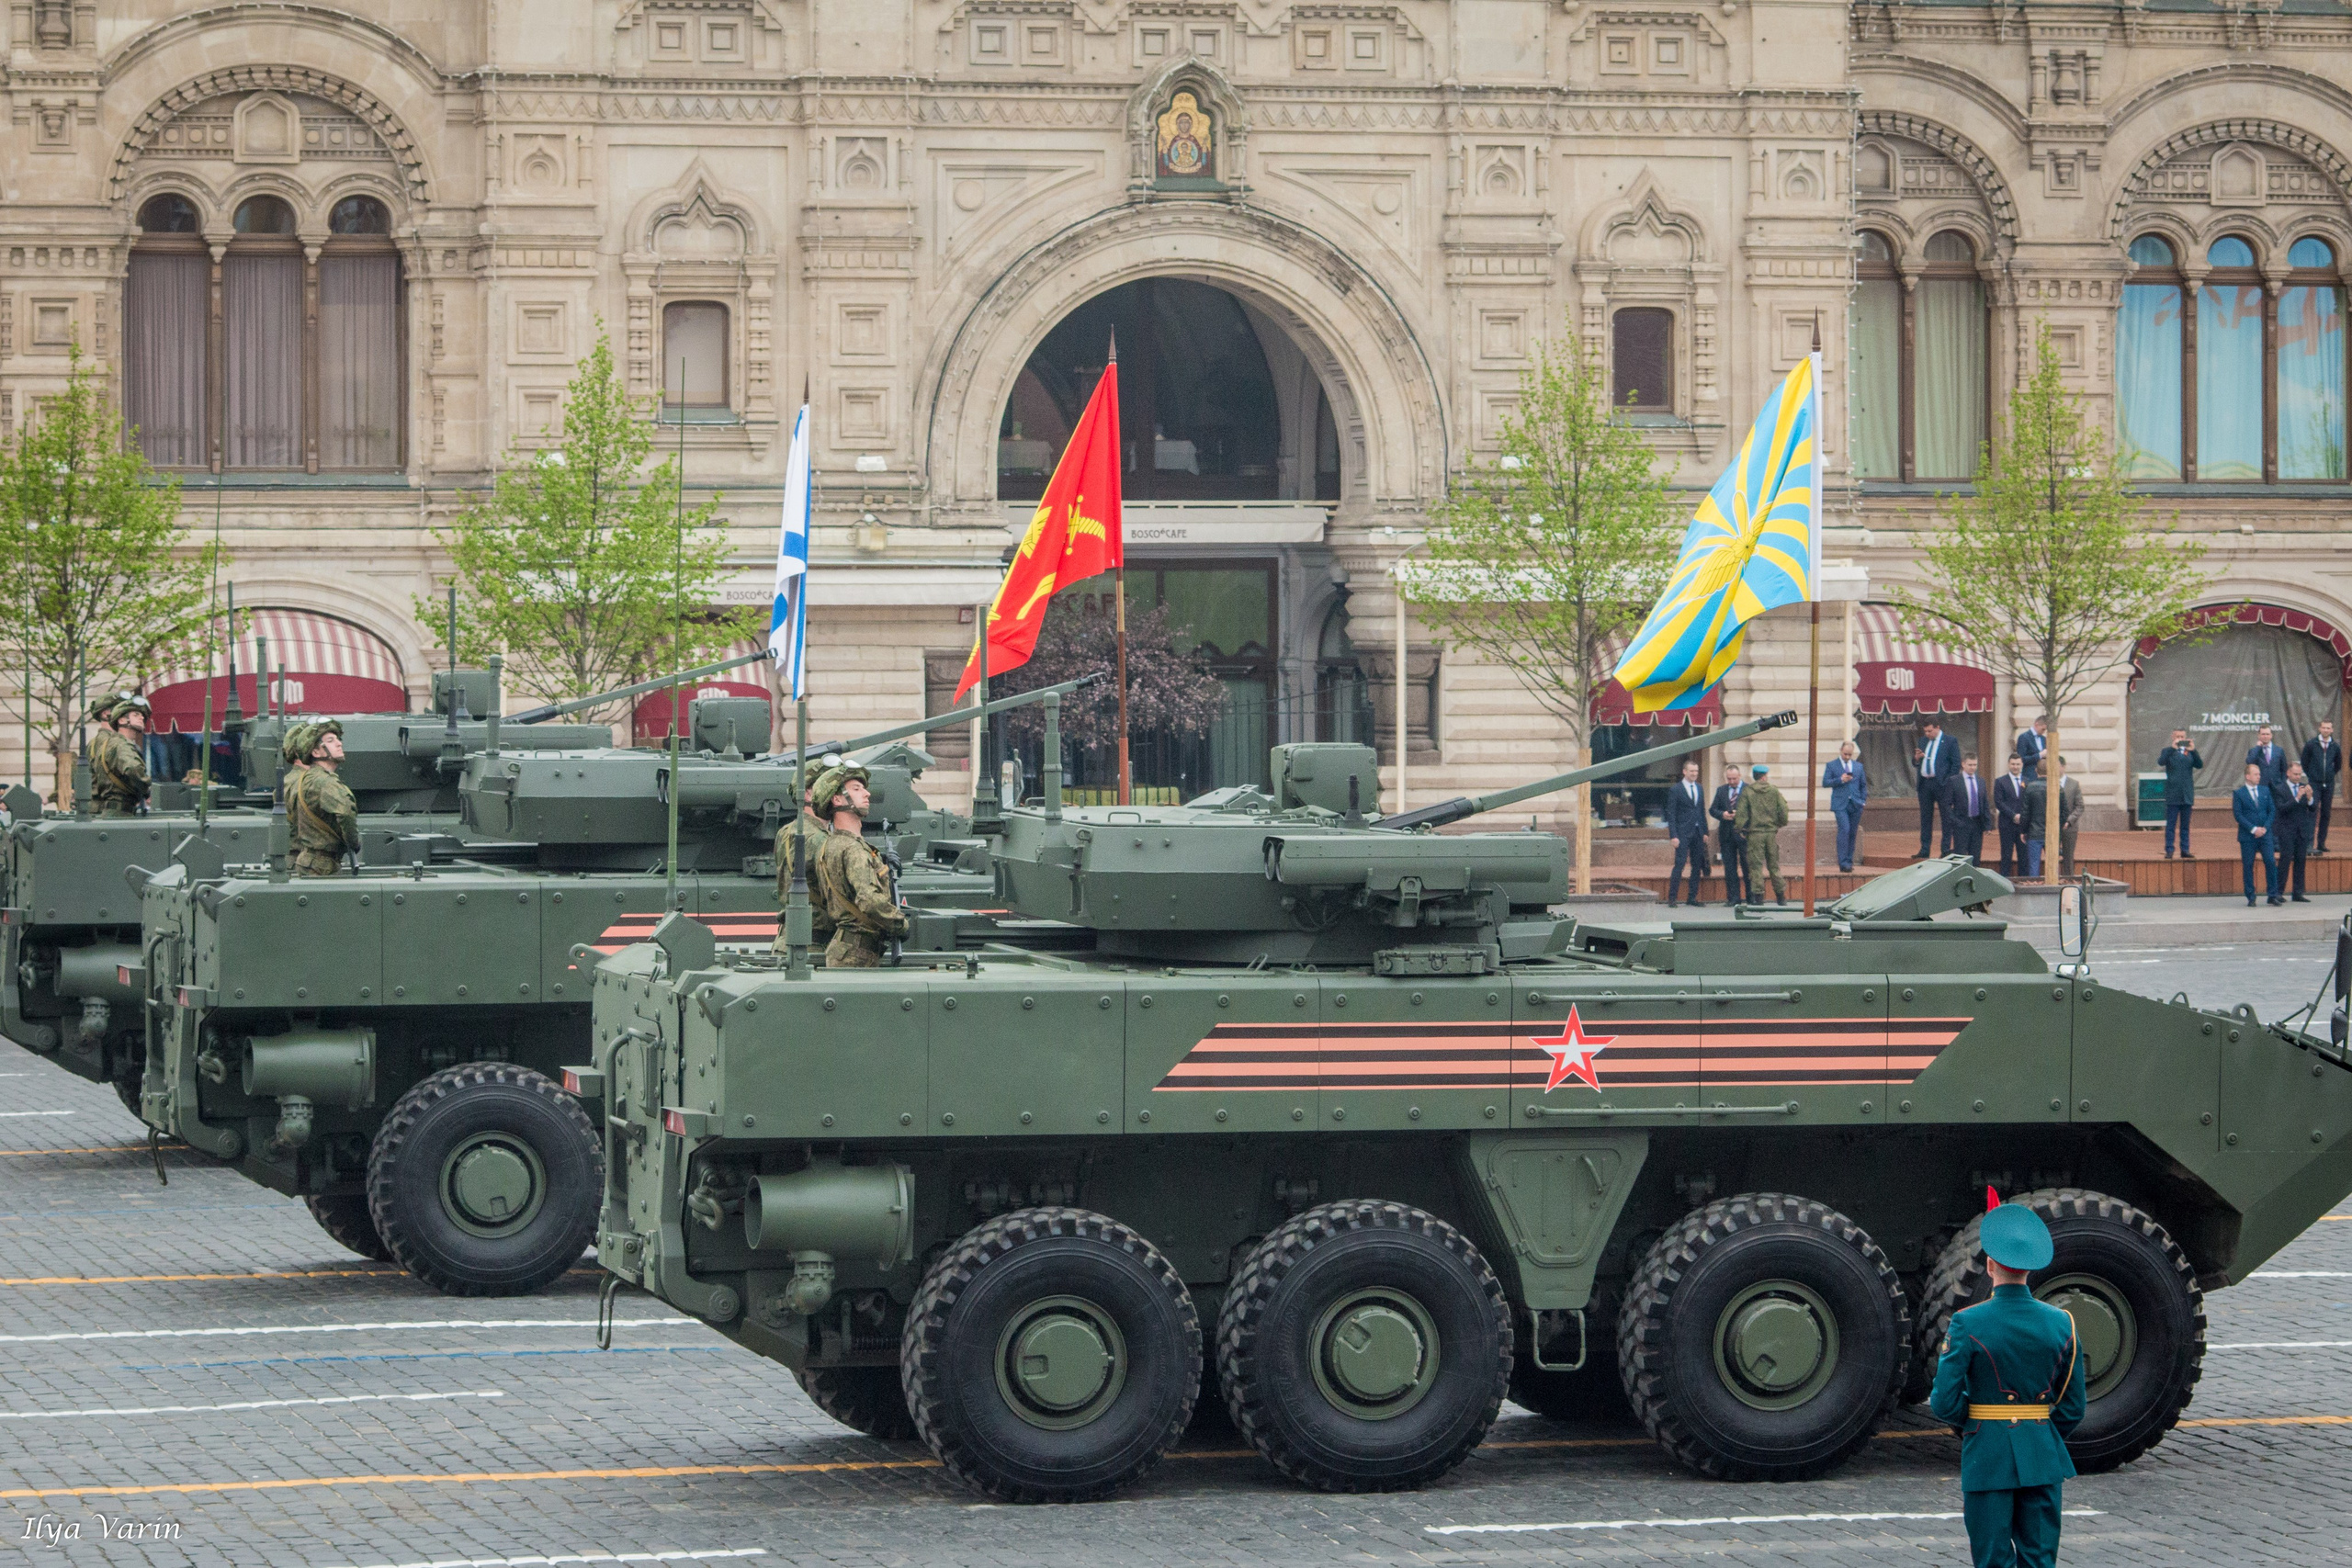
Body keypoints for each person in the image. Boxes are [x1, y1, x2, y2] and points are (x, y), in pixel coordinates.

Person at [1928, 1202, 2086, 1568]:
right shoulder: (2062, 1323)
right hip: (2042, 1456)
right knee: (2040, 1560)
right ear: (2030, 1268)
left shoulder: (1967, 1323)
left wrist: (1977, 1424)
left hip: (1988, 1455)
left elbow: (1943, 1402)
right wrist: (2038, 1430)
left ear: (1989, 1265)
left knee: (1992, 1560)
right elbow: (2073, 1406)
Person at [809, 763, 909, 967]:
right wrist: (901, 924)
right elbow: (868, 900)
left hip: (848, 950)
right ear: (837, 799)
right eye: (856, 788)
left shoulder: (830, 844)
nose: (867, 793)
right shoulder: (852, 849)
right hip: (857, 954)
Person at [772, 756, 837, 953]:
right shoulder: (816, 838)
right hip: (812, 946)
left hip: (790, 941)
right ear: (808, 793)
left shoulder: (786, 831)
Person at [287, 718, 360, 876]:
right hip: (322, 866)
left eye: (337, 739)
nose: (339, 743)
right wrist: (354, 843)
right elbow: (345, 813)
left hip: (311, 862)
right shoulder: (325, 782)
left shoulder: (308, 778)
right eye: (330, 741)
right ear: (316, 752)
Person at [87, 694, 153, 818]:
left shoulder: (111, 742)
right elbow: (133, 769)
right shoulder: (119, 744)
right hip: (118, 811)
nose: (142, 718)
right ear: (122, 720)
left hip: (113, 810)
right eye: (136, 715)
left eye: (142, 715)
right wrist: (147, 790)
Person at [1733, 761, 1789, 904]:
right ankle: (1781, 897)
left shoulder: (1748, 791)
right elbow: (1783, 810)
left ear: (1755, 777)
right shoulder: (1774, 791)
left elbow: (1742, 813)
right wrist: (1780, 823)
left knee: (1756, 867)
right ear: (1765, 776)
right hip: (1770, 834)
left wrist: (1739, 828)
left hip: (1754, 834)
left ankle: (1759, 899)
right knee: (1774, 866)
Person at [1663, 758, 1711, 908]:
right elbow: (1671, 814)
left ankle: (1692, 897)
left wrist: (1705, 831)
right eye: (1692, 771)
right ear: (1684, 772)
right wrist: (1674, 835)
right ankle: (1672, 898)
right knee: (1680, 864)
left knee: (1697, 866)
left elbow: (1701, 811)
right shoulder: (1675, 790)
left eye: (1696, 771)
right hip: (1682, 833)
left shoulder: (1700, 788)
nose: (1694, 774)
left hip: (1697, 832)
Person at [2235, 761, 2281, 908]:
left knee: (2270, 861)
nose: (2259, 777)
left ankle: (2272, 895)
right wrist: (2254, 829)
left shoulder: (2265, 791)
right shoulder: (2239, 793)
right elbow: (2238, 815)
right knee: (2248, 865)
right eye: (2256, 774)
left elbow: (2271, 810)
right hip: (2248, 835)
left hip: (2265, 834)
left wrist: (2265, 828)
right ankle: (2251, 895)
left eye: (2259, 774)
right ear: (2248, 776)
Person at [1915, 720, 1961, 858]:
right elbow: (1917, 762)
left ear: (1937, 727)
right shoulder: (1922, 741)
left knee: (1946, 817)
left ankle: (1945, 849)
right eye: (1926, 731)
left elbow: (1956, 763)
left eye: (1930, 731)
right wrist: (1916, 759)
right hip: (1925, 783)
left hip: (1942, 784)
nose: (1927, 734)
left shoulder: (1950, 741)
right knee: (1925, 817)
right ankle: (1924, 849)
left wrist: (1948, 782)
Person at [2274, 761, 2317, 903]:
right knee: (2285, 860)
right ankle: (2278, 892)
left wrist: (2310, 799)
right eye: (2295, 774)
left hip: (2301, 830)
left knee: (2300, 861)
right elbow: (2281, 808)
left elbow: (2312, 809)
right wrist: (2297, 798)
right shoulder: (2280, 788)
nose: (2298, 777)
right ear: (2288, 773)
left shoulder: (2303, 787)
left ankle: (2298, 892)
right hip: (2286, 830)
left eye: (2300, 774)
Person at [2156, 728, 2201, 860]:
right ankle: (2169, 849)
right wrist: (2172, 748)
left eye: (2182, 737)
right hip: (2173, 793)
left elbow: (2199, 765)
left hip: (2186, 794)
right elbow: (2161, 762)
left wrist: (2194, 750)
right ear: (2173, 737)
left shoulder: (2190, 753)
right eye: (2178, 736)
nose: (2180, 739)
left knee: (2185, 825)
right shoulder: (2168, 751)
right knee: (2171, 824)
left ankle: (2185, 849)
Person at [1824, 740, 1867, 872]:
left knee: (1853, 832)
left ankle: (1849, 861)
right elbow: (1825, 782)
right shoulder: (1832, 765)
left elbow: (1863, 784)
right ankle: (1842, 862)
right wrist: (1840, 780)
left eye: (1850, 755)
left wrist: (1862, 800)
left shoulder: (1858, 766)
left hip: (1855, 803)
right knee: (1845, 829)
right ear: (1840, 751)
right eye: (1845, 754)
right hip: (1840, 804)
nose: (1847, 757)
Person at [1710, 763, 1747, 905]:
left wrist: (1740, 815)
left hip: (1744, 834)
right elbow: (1712, 809)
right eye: (1729, 779)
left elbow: (1754, 811)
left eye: (1734, 779)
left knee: (1747, 867)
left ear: (1740, 776)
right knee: (1730, 868)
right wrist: (1722, 814)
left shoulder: (1748, 790)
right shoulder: (1721, 790)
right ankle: (1733, 898)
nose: (1731, 782)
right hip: (1726, 835)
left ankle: (1751, 897)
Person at [1944, 753, 1991, 864]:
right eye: (1970, 765)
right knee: (1960, 855)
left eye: (1975, 765)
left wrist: (1987, 824)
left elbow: (1985, 803)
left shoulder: (1981, 781)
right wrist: (1955, 821)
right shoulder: (1954, 781)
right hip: (1961, 823)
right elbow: (1946, 804)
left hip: (1977, 824)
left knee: (1976, 855)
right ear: (1963, 764)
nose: (1973, 767)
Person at [2302, 720, 2341, 853]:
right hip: (2315, 784)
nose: (2325, 730)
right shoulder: (2311, 744)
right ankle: (2309, 844)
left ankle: (2321, 843)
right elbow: (2304, 762)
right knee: (2312, 812)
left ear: (2332, 730)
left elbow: (2338, 764)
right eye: (2323, 727)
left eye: (2328, 728)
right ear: (2320, 728)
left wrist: (2329, 775)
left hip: (2329, 784)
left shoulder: (2335, 746)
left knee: (2326, 814)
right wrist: (2313, 775)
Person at [1993, 753, 2029, 879]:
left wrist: (2023, 817)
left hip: (2023, 826)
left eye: (2018, 764)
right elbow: (1998, 802)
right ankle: (2004, 881)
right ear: (2009, 764)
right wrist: (2013, 815)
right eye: (2013, 764)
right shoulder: (2000, 781)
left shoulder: (2027, 781)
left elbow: (2029, 803)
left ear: (2022, 765)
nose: (2015, 767)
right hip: (2007, 824)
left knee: (2024, 856)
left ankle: (2024, 881)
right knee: (2006, 855)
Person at [2052, 758, 2084, 881]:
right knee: (2052, 855)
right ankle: (2054, 881)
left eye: (2057, 766)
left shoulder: (2074, 784)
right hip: (2052, 827)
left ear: (2063, 767)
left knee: (2068, 856)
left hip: (2069, 827)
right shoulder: (2049, 783)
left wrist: (2069, 820)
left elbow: (2080, 806)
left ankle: (2068, 881)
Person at [2020, 769, 2047, 881]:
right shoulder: (2057, 787)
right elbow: (2064, 811)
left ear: (2036, 771)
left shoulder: (2030, 787)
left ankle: (2034, 893)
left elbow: (2025, 812)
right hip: (2052, 834)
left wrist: (2023, 830)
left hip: (2034, 832)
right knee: (2053, 865)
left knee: (2034, 865)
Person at [2247, 725, 2287, 793]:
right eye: (2263, 734)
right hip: (2260, 787)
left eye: (2267, 734)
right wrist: (2258, 748)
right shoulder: (2254, 751)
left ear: (2271, 735)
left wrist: (2282, 784)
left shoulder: (2279, 750)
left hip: (2277, 787)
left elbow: (2284, 769)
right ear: (2259, 736)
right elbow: (2249, 762)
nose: (2265, 736)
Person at [2015, 715, 2048, 784]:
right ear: (2037, 725)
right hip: (2029, 777)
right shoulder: (2024, 737)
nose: (2044, 732)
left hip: (2043, 777)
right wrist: (2039, 755)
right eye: (2043, 729)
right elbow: (2021, 759)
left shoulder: (2043, 739)